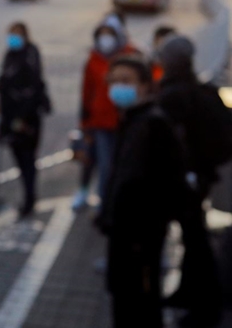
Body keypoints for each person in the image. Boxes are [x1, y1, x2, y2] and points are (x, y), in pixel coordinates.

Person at [96, 56, 189, 328]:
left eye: (126, 81)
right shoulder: (132, 120)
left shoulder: (153, 124)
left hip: (139, 239)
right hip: (124, 235)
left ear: (147, 86)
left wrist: (141, 234)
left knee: (140, 306)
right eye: (113, 81)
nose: (117, 87)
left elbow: (162, 186)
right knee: (125, 302)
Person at [157, 35, 225, 327]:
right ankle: (187, 293)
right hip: (199, 177)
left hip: (187, 181)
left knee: (196, 240)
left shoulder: (175, 95)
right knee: (192, 236)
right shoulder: (199, 89)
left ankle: (205, 307)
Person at [72, 17, 140, 211]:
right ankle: (106, 205)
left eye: (109, 35)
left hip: (126, 122)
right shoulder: (93, 60)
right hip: (101, 122)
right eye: (102, 35)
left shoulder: (131, 55)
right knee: (105, 166)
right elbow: (86, 92)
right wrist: (85, 122)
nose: (105, 39)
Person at [0, 21, 51, 217]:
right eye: (11, 34)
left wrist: (22, 118)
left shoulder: (30, 55)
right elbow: (6, 78)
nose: (13, 38)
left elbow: (33, 87)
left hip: (26, 118)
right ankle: (28, 196)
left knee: (27, 159)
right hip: (10, 116)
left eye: (17, 34)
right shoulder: (10, 54)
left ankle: (29, 198)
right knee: (19, 157)